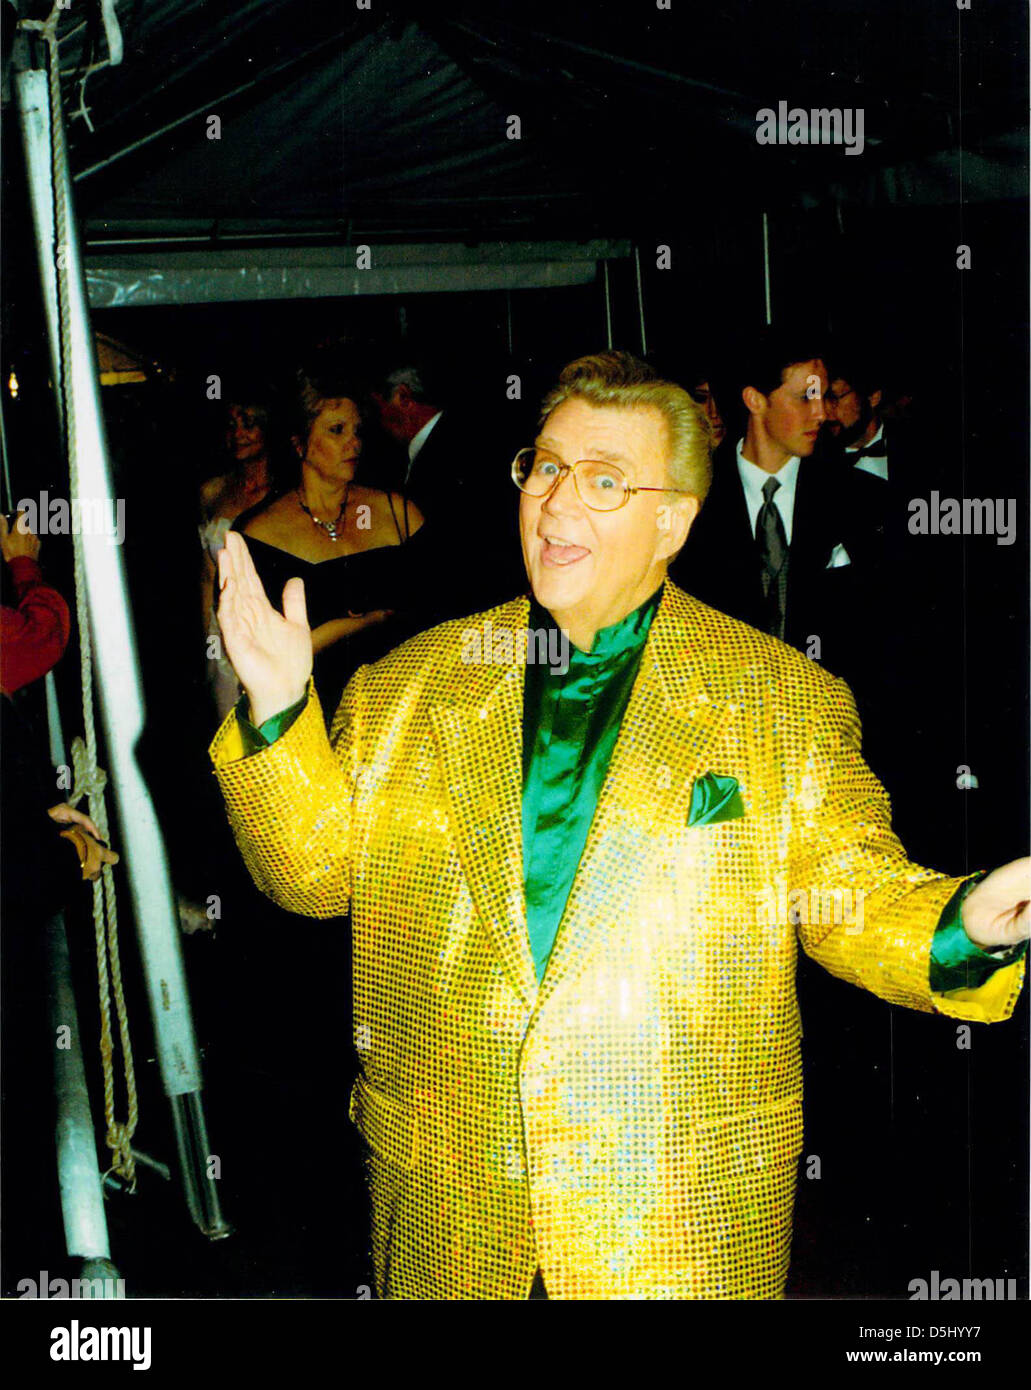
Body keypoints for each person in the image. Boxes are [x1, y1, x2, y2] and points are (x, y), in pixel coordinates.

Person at [209, 350, 1028, 1300]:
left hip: (673, 1218)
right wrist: (275, 714)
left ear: (672, 519)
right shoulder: (406, 689)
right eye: (545, 467)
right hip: (451, 1209)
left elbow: (847, 890)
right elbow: (312, 877)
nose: (556, 505)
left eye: (603, 481)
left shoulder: (775, 701)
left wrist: (959, 926)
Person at [669, 332, 885, 692]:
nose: (821, 411)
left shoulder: (861, 498)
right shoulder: (691, 500)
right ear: (755, 400)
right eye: (806, 397)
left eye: (824, 395)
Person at [230, 354, 427, 729]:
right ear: (299, 443)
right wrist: (363, 622)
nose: (353, 443)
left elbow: (441, 616)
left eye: (357, 431)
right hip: (316, 723)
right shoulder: (258, 534)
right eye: (337, 431)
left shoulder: (398, 513)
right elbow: (263, 657)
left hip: (409, 718)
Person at [199, 392, 276, 722]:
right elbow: (206, 576)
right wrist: (210, 646)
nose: (238, 434)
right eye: (231, 425)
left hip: (273, 629)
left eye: (249, 424)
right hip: (225, 635)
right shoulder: (211, 492)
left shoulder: (286, 491)